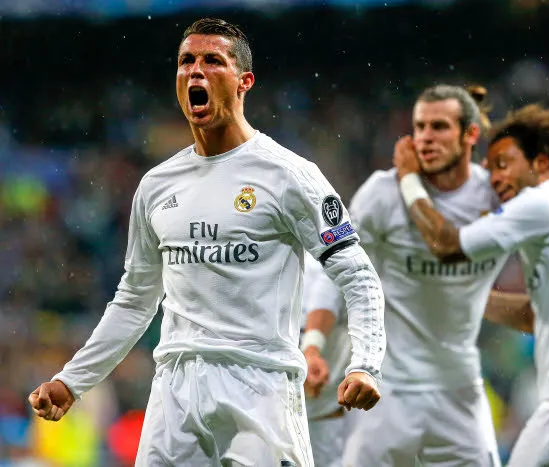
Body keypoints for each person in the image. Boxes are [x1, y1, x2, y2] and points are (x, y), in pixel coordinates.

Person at [27, 18, 385, 467]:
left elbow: (357, 275)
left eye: (213, 60)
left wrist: (365, 364)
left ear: (244, 81)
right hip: (174, 391)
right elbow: (134, 300)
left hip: (261, 384)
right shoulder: (156, 186)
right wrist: (73, 380)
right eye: (186, 61)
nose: (195, 70)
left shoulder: (289, 175)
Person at [342, 85, 549, 467]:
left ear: (540, 163)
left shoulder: (537, 203)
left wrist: (410, 180)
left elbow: (446, 245)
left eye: (504, 164)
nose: (495, 178)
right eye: (492, 166)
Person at [300, 253, 358, 467]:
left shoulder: (340, 255)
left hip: (324, 406)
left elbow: (326, 296)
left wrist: (311, 350)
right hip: (269, 403)